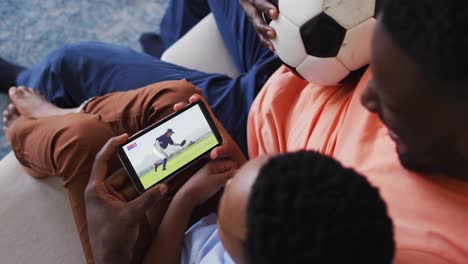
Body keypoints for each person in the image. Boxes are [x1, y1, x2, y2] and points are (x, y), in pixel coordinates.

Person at [4, 0, 468, 262]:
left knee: (76, 73)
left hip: (250, 134)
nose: (368, 100)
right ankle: (157, 54)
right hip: (301, 75)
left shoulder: (416, 242)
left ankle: (33, 92)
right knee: (173, 88)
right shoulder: (434, 54)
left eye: (386, 101)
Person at [86, 136, 395, 264]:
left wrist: (109, 254)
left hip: (152, 247)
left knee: (79, 139)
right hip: (186, 215)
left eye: (229, 199)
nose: (231, 181)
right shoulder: (342, 235)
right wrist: (190, 196)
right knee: (177, 96)